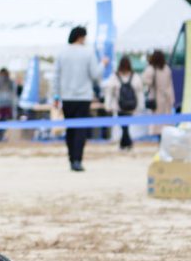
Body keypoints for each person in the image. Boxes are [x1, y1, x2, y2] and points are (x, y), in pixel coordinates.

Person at [53, 26, 101, 172]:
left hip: (67, 97)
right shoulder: (88, 53)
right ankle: (77, 160)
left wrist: (56, 96)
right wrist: (103, 64)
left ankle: (71, 158)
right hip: (83, 97)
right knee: (80, 130)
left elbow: (56, 77)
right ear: (81, 37)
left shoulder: (62, 53)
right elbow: (95, 75)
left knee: (70, 129)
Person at [102, 55, 143, 151]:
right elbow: (139, 92)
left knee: (124, 125)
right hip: (132, 105)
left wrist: (107, 104)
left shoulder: (114, 76)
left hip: (119, 106)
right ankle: (126, 143)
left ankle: (125, 143)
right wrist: (141, 105)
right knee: (126, 125)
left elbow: (109, 92)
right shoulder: (135, 76)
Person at [142, 49, 175, 135]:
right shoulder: (167, 69)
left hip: (155, 97)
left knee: (157, 122)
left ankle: (159, 137)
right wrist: (171, 99)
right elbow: (170, 85)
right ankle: (163, 138)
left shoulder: (151, 68)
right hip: (166, 98)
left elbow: (145, 81)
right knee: (166, 122)